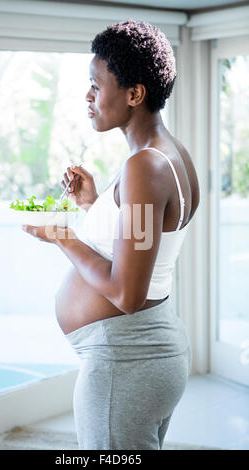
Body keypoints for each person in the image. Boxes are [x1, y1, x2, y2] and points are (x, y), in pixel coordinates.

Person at [23, 19, 200, 450]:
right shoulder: (170, 154)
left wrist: (61, 235)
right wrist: (93, 203)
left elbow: (126, 293)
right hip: (148, 353)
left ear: (134, 94)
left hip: (127, 363)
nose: (88, 96)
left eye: (95, 85)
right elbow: (144, 237)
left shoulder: (144, 167)